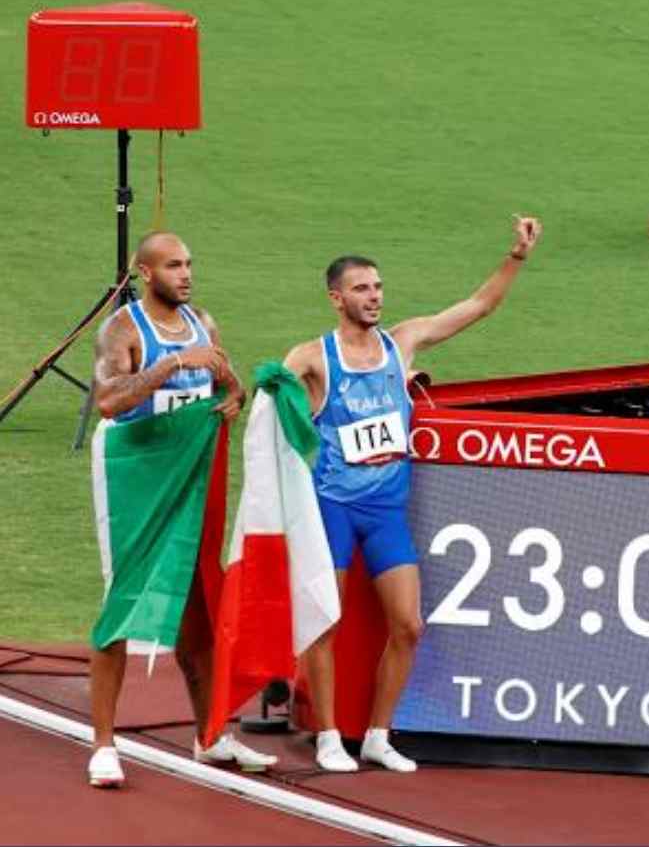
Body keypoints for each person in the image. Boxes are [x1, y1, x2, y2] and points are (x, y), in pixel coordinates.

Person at [285, 215, 542, 772]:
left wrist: (516, 256)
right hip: (332, 506)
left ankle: (378, 734)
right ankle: (329, 735)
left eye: (378, 287)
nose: (374, 297)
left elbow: (476, 307)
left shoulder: (402, 342)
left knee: (408, 625)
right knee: (322, 622)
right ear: (336, 298)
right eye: (361, 289)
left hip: (384, 511)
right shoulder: (311, 358)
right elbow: (275, 411)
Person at [86, 231, 276, 788]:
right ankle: (102, 745)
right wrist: (170, 368)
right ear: (145, 273)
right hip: (136, 481)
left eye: (189, 263)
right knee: (121, 598)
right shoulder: (123, 330)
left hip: (192, 480)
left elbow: (228, 387)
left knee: (202, 600)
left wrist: (235, 397)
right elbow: (108, 400)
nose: (186, 274)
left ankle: (211, 733)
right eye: (173, 265)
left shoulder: (204, 324)